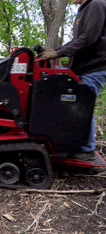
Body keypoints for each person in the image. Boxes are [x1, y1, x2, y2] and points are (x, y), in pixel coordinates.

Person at [41, 0, 106, 163]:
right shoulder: (84, 9)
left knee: (84, 105)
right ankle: (72, 144)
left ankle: (86, 150)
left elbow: (88, 38)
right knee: (74, 103)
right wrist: (57, 51)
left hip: (94, 66)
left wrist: (58, 53)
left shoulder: (96, 4)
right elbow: (77, 40)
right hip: (85, 66)